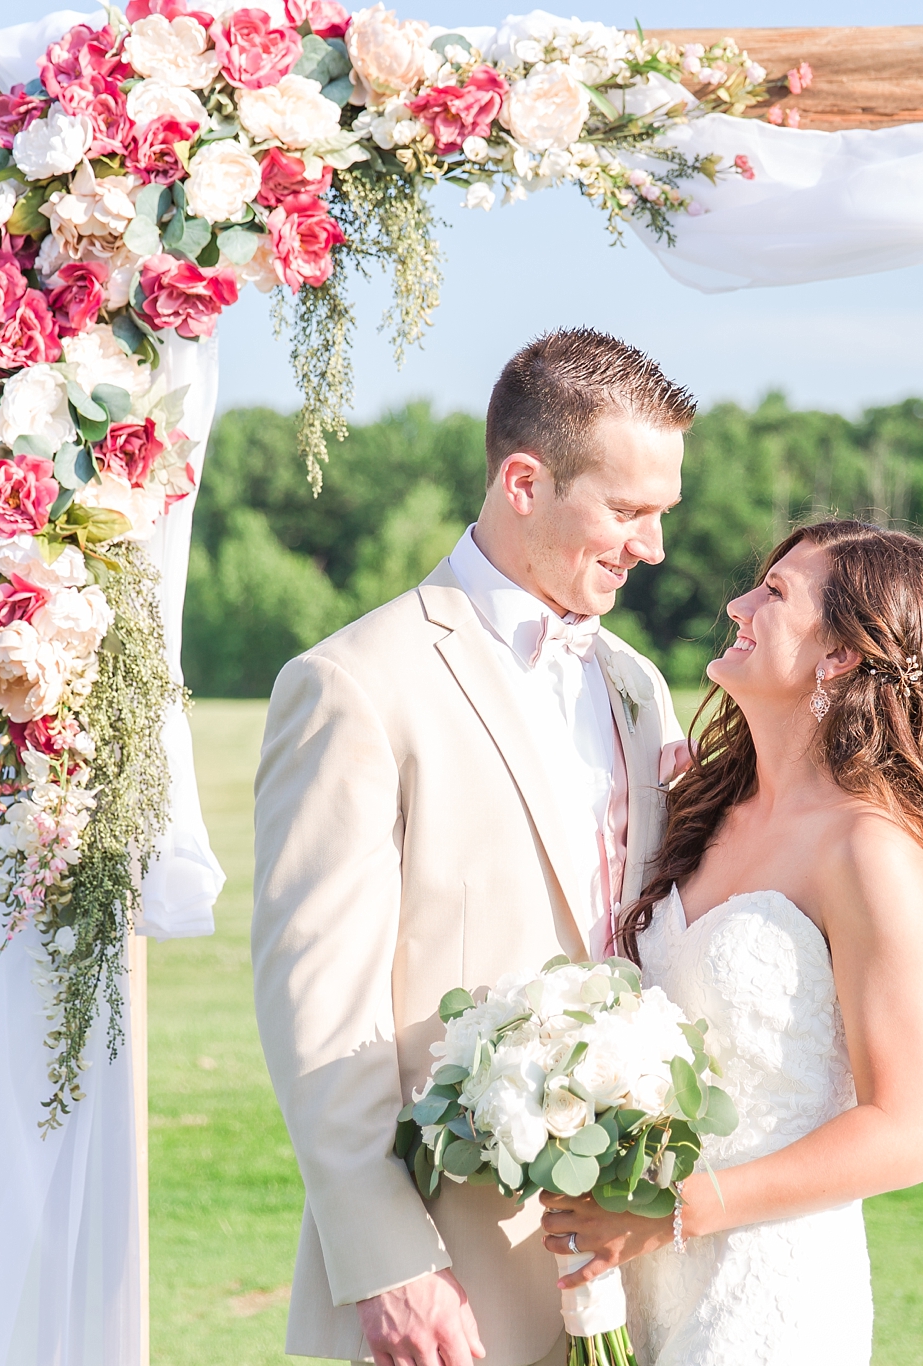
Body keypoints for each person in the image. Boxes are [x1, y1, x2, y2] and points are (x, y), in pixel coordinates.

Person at [253, 329, 696, 1366]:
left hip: (631, 1266)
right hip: (449, 1277)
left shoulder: (635, 682)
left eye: (660, 515)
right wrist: (387, 1263)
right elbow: (318, 1006)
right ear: (523, 481)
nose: (651, 549)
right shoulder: (352, 684)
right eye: (626, 512)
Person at [537, 519, 923, 1364]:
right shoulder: (702, 809)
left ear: (840, 655)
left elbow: (908, 1130)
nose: (738, 603)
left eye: (774, 594)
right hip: (643, 1281)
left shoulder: (869, 851)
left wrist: (679, 1210)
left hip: (769, 1291)